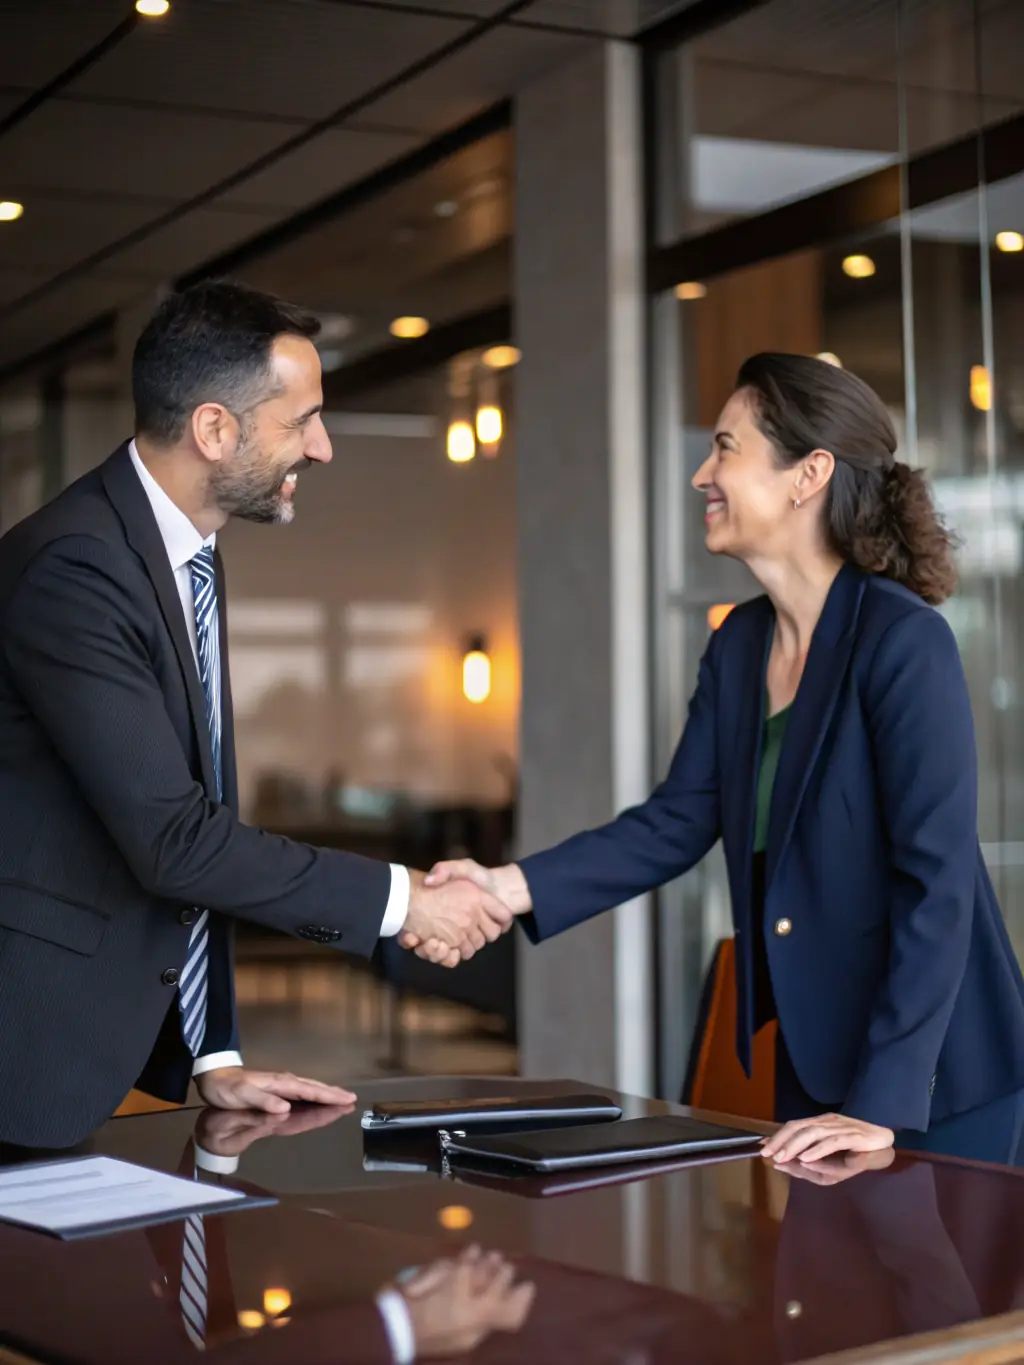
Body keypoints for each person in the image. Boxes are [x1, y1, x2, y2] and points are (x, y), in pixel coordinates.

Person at [416, 352, 1024, 1166]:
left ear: (809, 474)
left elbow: (938, 883)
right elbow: (675, 822)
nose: (702, 473)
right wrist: (502, 886)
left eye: (725, 448)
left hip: (934, 1073)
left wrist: (880, 1102)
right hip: (814, 1056)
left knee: (936, 1301)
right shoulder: (739, 644)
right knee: (822, 1289)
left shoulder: (904, 641)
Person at [0, 280, 511, 1151]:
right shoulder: (75, 570)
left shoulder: (187, 555)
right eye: (302, 418)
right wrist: (401, 900)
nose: (322, 446)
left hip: (110, 1057)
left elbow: (195, 815)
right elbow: (175, 838)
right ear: (214, 430)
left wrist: (212, 1051)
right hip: (31, 1057)